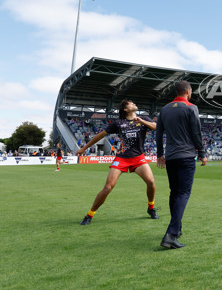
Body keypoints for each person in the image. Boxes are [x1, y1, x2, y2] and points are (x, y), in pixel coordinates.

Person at [77, 99, 159, 225]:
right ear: (125, 109)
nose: (134, 104)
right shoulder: (118, 123)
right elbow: (100, 135)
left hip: (138, 158)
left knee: (151, 182)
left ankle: (151, 208)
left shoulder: (143, 118)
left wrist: (141, 121)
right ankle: (89, 215)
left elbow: (156, 127)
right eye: (131, 103)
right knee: (108, 187)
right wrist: (83, 148)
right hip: (121, 158)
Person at [156, 81, 207, 249]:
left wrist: (159, 155)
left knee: (175, 192)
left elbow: (158, 134)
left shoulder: (164, 109)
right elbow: (196, 133)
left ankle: (176, 229)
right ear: (188, 92)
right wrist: (202, 153)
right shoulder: (191, 108)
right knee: (184, 193)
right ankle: (171, 234)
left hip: (170, 157)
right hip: (186, 156)